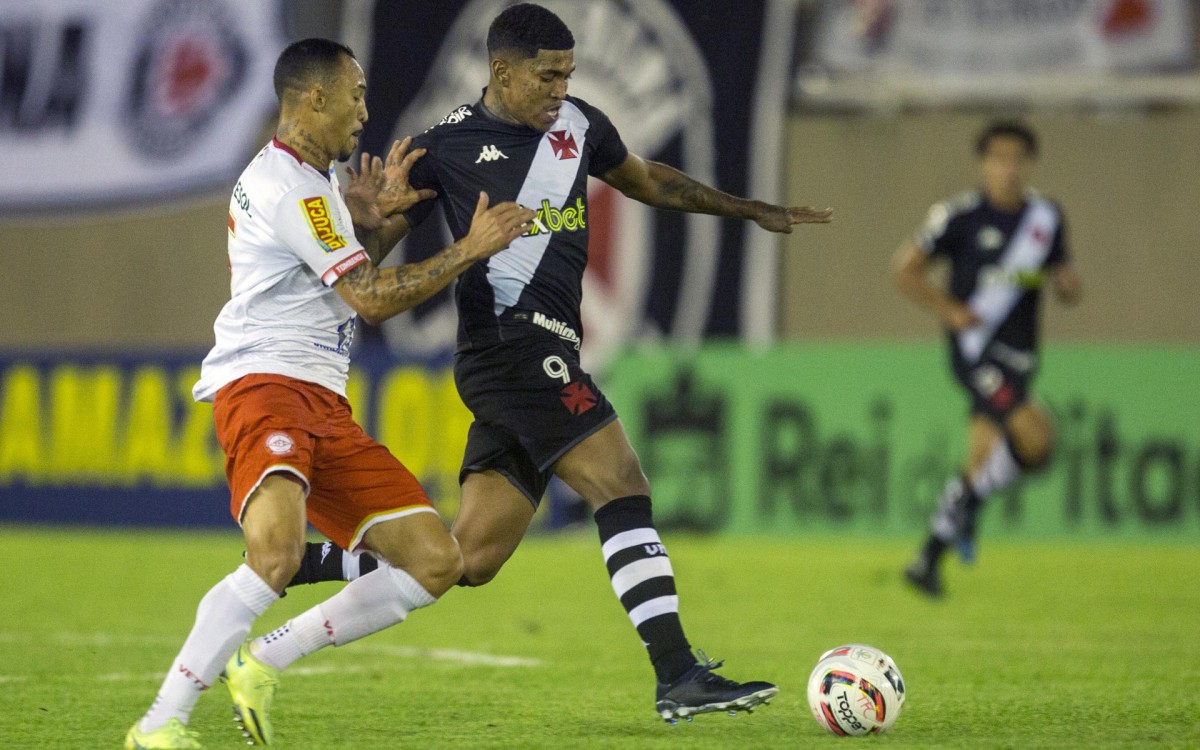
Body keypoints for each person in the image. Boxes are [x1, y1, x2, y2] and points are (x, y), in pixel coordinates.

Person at [284, 4, 831, 724]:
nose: (559, 89)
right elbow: (370, 268)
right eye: (547, 75)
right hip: (508, 352)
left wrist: (745, 208)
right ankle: (677, 673)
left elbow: (649, 181)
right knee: (620, 479)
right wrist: (365, 220)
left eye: (568, 74)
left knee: (467, 558)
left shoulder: (580, 123)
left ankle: (300, 563)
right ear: (502, 71)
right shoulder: (441, 146)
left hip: (548, 350)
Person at [124, 38, 534, 749]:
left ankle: (263, 660)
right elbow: (370, 303)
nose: (365, 112)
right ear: (313, 99)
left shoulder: (313, 185)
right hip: (266, 388)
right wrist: (469, 248)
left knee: (436, 560)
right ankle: (159, 725)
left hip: (322, 400)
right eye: (355, 95)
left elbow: (343, 283)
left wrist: (379, 225)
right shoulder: (293, 189)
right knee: (275, 556)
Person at [896, 121, 1081, 598]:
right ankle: (968, 508)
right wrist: (950, 310)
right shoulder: (960, 217)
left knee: (981, 460)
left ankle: (928, 560)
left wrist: (1067, 287)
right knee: (1037, 439)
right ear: (984, 164)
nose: (1009, 169)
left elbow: (1062, 276)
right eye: (999, 159)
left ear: (1029, 163)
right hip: (977, 354)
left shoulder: (1046, 218)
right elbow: (906, 269)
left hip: (1020, 355)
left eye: (1017, 159)